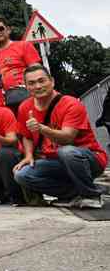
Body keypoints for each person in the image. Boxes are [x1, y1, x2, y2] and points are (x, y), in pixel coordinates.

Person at [13, 65, 107, 209]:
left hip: (87, 158)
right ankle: (74, 194)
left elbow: (67, 138)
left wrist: (42, 129)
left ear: (52, 81)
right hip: (55, 162)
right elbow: (26, 135)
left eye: (41, 81)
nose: (37, 86)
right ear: (26, 87)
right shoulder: (25, 107)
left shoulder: (71, 104)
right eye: (31, 83)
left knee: (67, 151)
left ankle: (91, 195)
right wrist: (29, 155)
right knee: (21, 174)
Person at [0, 16, 41, 112]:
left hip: (30, 103)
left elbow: (38, 73)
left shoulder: (24, 46)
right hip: (4, 109)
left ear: (8, 30)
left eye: (0, 28)